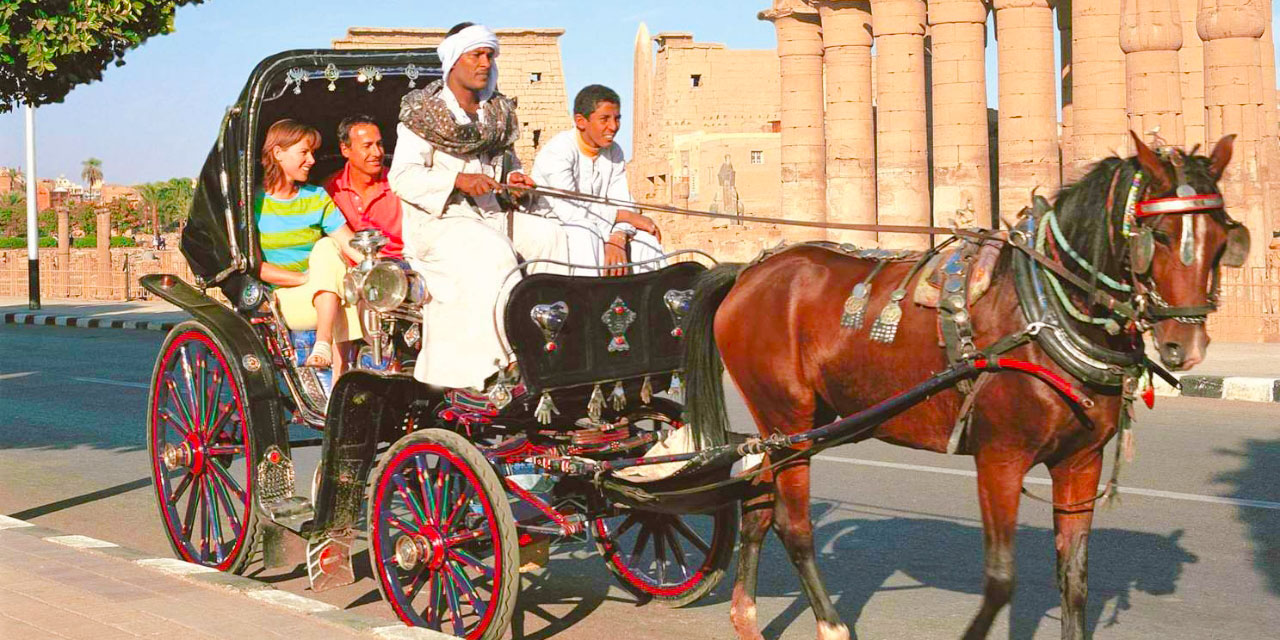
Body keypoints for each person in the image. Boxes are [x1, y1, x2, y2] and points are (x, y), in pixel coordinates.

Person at [389, 22, 568, 390]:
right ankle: (504, 363)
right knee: (495, 255)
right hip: (440, 225)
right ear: (454, 60)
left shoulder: (497, 115)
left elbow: (509, 168)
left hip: (491, 216)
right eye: (477, 54)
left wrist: (516, 182)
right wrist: (457, 181)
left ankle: (554, 347)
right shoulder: (423, 115)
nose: (485, 62)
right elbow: (402, 178)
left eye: (490, 55)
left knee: (551, 237)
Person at [255, 118, 364, 371]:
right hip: (285, 298)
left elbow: (347, 242)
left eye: (312, 153)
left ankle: (333, 370)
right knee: (338, 292)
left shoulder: (316, 197)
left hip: (327, 295)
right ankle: (330, 356)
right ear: (278, 153)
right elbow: (257, 267)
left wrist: (379, 267)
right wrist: (307, 279)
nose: (312, 160)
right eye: (304, 152)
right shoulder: (255, 204)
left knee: (328, 247)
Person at [530, 84, 665, 276]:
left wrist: (618, 235)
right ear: (581, 121)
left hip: (604, 227)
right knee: (585, 234)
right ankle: (590, 302)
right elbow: (570, 211)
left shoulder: (614, 151)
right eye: (605, 119)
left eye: (617, 119)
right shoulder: (558, 151)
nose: (614, 127)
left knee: (647, 241)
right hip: (558, 226)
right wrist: (623, 217)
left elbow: (624, 203)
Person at [325, 115, 403, 258]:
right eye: (367, 146)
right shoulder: (330, 188)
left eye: (379, 144)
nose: (377, 153)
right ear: (345, 150)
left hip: (398, 267)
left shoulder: (400, 184)